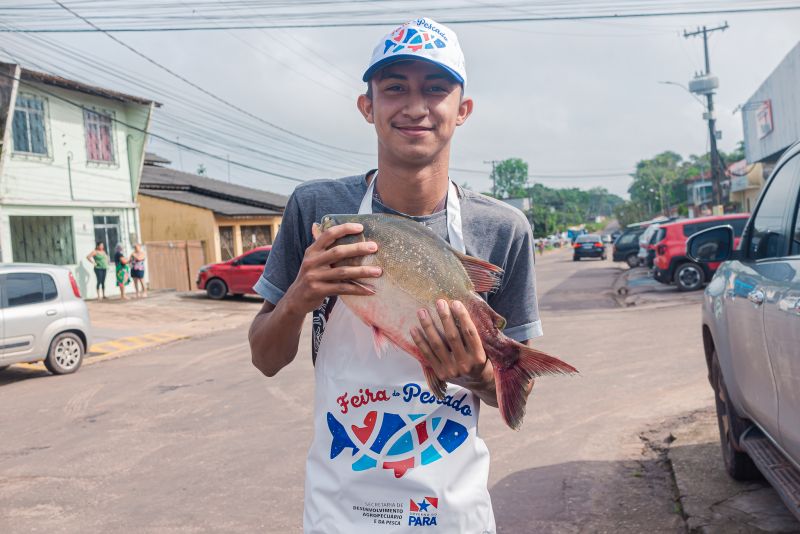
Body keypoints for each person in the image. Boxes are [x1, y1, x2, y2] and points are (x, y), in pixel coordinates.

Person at [249, 17, 541, 533]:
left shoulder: (503, 229)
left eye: (435, 89)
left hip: (450, 513)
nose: (414, 106)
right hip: (341, 512)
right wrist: (297, 298)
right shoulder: (316, 207)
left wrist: (474, 374)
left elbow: (508, 392)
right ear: (368, 106)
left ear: (462, 109)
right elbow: (265, 360)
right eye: (394, 89)